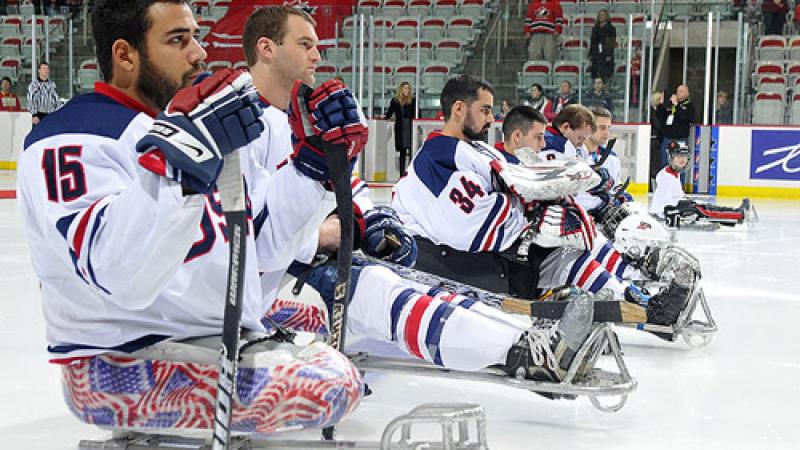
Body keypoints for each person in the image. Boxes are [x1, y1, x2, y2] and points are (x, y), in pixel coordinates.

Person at [18, 0, 369, 433]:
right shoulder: (72, 135)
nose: (199, 53)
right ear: (126, 56)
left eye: (196, 37)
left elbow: (258, 248)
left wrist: (311, 169)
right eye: (178, 40)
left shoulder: (185, 123)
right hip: (120, 359)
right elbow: (120, 276)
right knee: (334, 384)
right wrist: (179, 170)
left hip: (192, 334)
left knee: (327, 326)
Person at [392, 77, 693, 330]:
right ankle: (644, 305)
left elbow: (518, 185)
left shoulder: (477, 149)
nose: (490, 118)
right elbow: (468, 223)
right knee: (563, 252)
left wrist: (541, 205)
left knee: (571, 257)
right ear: (458, 109)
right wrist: (532, 220)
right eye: (484, 110)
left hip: (497, 255)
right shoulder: (436, 156)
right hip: (461, 264)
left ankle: (646, 307)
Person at [649, 141, 750, 227]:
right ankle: (739, 214)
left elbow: (676, 196)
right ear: (671, 158)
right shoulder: (666, 176)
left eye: (684, 156)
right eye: (678, 156)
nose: (682, 159)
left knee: (706, 207)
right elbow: (665, 203)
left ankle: (735, 211)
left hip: (674, 207)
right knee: (704, 211)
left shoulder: (674, 173)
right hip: (667, 211)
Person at [656, 84, 694, 170]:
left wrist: (676, 105)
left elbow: (685, 117)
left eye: (681, 91)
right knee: (664, 164)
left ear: (687, 93)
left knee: (680, 166)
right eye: (677, 91)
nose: (678, 93)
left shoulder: (689, 106)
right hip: (667, 139)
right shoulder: (670, 105)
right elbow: (659, 115)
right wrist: (661, 104)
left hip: (680, 141)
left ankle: (679, 183)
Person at [384, 81, 416, 171]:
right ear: (401, 89)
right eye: (405, 88)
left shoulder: (413, 100)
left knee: (411, 151)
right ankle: (402, 173)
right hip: (401, 127)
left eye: (408, 88)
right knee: (402, 151)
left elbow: (417, 114)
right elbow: (389, 113)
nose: (407, 90)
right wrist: (384, 116)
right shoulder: (395, 101)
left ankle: (411, 173)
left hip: (410, 127)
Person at [524, 0, 563, 65]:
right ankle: (536, 73)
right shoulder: (533, 4)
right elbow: (528, 19)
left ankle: (550, 73)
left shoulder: (555, 4)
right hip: (535, 34)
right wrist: (527, 31)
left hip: (550, 35)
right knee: (534, 56)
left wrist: (557, 31)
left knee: (549, 56)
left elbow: (559, 19)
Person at [588, 9, 616, 84]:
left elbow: (611, 44)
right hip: (596, 56)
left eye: (603, 15)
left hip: (606, 56)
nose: (601, 17)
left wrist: (608, 55)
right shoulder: (595, 28)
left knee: (605, 79)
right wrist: (591, 54)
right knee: (596, 78)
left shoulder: (611, 28)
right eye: (599, 15)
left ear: (607, 16)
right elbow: (592, 42)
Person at [649, 91, 664, 188]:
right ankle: (653, 184)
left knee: (656, 162)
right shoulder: (652, 112)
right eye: (659, 99)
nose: (661, 102)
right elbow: (658, 125)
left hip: (657, 139)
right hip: (654, 139)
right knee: (654, 162)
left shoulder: (658, 111)